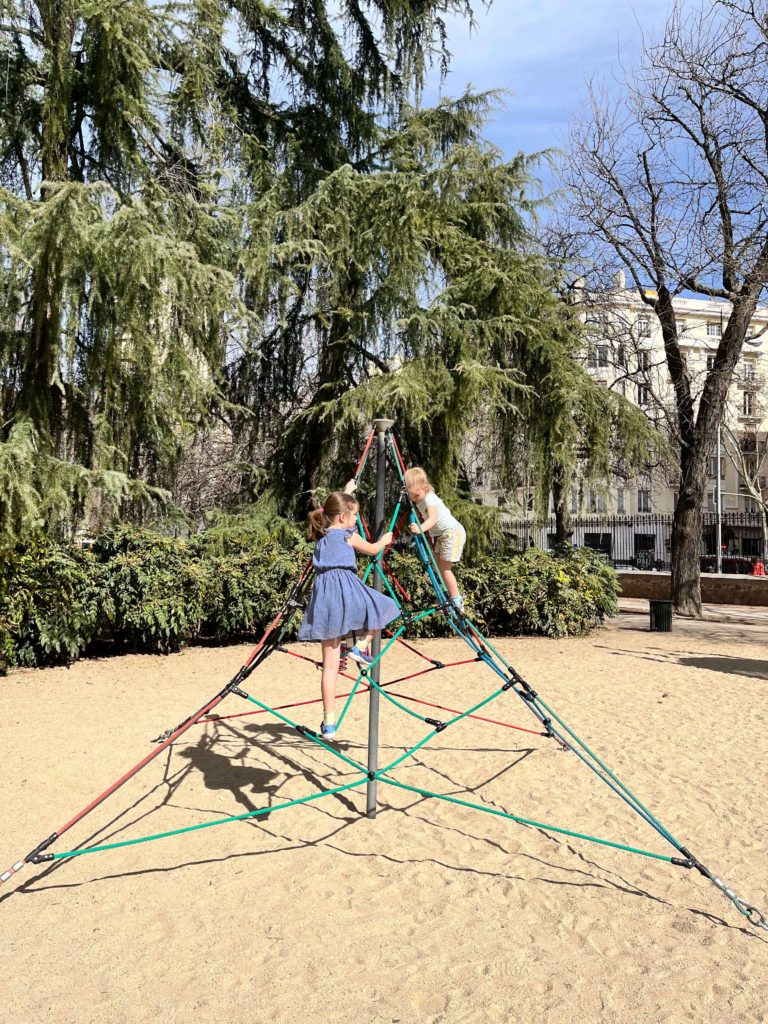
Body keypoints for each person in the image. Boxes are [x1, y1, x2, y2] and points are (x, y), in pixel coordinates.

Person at [298, 481, 398, 741]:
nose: (355, 520)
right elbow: (374, 550)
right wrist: (385, 539)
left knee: (330, 667)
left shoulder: (321, 533)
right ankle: (362, 645)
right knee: (386, 606)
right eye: (353, 515)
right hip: (345, 589)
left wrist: (347, 490)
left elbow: (331, 509)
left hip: (323, 599)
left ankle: (329, 721)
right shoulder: (346, 535)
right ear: (343, 517)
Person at [404, 467, 466, 612]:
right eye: (411, 496)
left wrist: (420, 528)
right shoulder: (420, 497)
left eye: (416, 495)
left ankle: (457, 600)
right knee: (438, 567)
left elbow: (432, 519)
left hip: (452, 533)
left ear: (424, 488)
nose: (414, 499)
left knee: (445, 569)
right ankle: (447, 597)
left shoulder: (429, 498)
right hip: (443, 535)